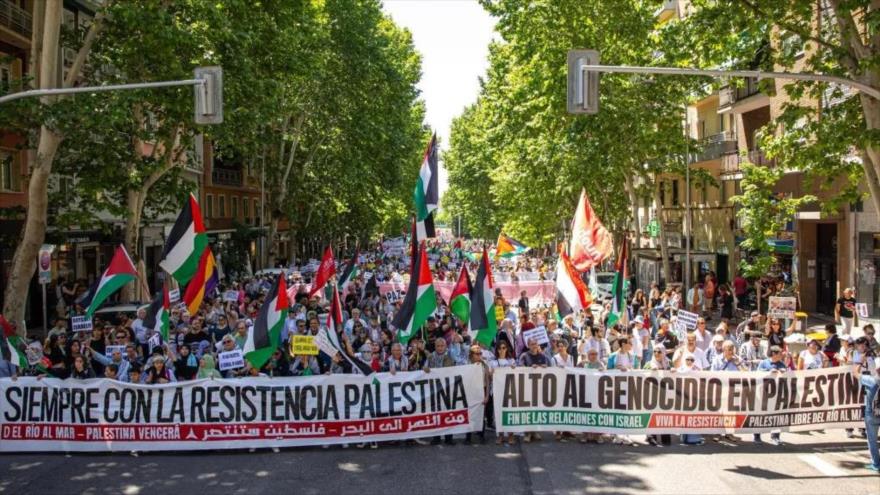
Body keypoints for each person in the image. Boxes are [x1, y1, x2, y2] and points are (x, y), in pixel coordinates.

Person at [425, 337, 456, 445]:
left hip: (447, 389)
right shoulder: (430, 357)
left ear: (445, 346)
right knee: (436, 414)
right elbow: (424, 368)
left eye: (442, 346)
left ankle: (449, 437)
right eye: (438, 346)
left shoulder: (451, 356)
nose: (440, 348)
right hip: (434, 390)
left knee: (448, 414)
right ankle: (436, 437)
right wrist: (425, 369)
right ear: (435, 347)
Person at [754, 346, 786, 445]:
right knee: (761, 415)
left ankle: (775, 436)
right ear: (773, 354)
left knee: (776, 415)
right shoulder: (764, 363)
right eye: (780, 353)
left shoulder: (782, 364)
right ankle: (757, 436)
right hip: (764, 392)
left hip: (777, 393)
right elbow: (757, 374)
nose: (781, 355)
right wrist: (769, 372)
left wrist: (784, 372)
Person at [852, 358, 880, 472]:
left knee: (872, 441)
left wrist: (860, 362)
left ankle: (876, 464)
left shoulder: (871, 380)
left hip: (871, 414)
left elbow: (855, 373)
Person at [465, 345, 491, 445]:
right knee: (469, 414)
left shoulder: (485, 365)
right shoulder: (467, 365)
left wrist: (487, 395)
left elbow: (488, 381)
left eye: (480, 353)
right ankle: (468, 436)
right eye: (477, 353)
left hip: (482, 390)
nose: (479, 355)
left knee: (481, 414)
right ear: (471, 355)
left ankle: (481, 435)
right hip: (470, 391)